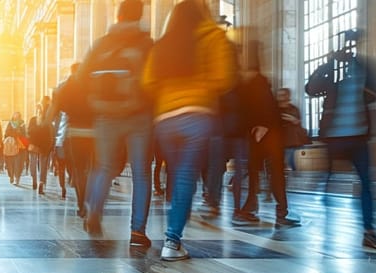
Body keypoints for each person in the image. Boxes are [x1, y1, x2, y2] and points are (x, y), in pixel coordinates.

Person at [141, 0, 237, 259]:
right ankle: (172, 241)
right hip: (197, 116)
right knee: (185, 177)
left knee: (178, 174)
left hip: (165, 120)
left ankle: (174, 233)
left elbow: (148, 81)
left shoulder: (162, 44)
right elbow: (224, 78)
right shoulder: (213, 37)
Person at [305, 28, 376, 252]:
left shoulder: (366, 66)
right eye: (348, 43)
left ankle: (369, 232)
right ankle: (325, 229)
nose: (351, 47)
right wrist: (328, 64)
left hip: (358, 134)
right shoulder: (333, 69)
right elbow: (311, 89)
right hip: (334, 136)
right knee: (328, 182)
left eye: (354, 43)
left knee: (366, 183)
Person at [77, 0, 155, 248]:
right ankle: (138, 231)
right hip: (139, 115)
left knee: (104, 167)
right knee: (141, 172)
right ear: (141, 15)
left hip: (106, 114)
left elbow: (81, 77)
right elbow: (154, 79)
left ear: (118, 15)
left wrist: (94, 101)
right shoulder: (146, 43)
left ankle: (94, 212)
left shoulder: (101, 44)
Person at [235, 41, 299, 228]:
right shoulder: (257, 82)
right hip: (266, 135)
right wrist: (261, 125)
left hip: (261, 135)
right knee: (272, 174)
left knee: (260, 174)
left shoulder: (254, 82)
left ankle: (252, 209)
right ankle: (279, 213)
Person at [49, 63, 92, 212]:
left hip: (75, 134)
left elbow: (55, 109)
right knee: (90, 169)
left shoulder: (67, 87)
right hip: (93, 134)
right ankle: (88, 200)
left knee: (78, 170)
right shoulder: (91, 84)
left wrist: (45, 122)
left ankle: (82, 203)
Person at [276, 88, 308, 171]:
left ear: (288, 96)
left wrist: (294, 120)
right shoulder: (274, 109)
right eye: (278, 95)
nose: (280, 97)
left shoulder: (294, 109)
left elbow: (298, 123)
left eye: (282, 95)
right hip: (278, 141)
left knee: (289, 165)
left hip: (291, 141)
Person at [3, 112, 27, 185]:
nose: (16, 116)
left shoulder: (22, 123)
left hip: (19, 146)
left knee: (18, 163)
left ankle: (17, 178)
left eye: (17, 115)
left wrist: (18, 134)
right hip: (11, 146)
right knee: (10, 163)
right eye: (15, 115)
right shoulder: (10, 123)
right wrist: (14, 135)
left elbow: (24, 133)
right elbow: (6, 133)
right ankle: (11, 176)